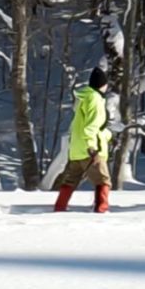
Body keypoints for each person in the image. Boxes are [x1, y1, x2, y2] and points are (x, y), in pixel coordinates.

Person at [53, 67, 113, 214]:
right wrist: (92, 146)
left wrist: (106, 135)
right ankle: (101, 209)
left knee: (70, 180)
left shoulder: (83, 99)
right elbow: (91, 125)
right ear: (101, 85)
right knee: (103, 180)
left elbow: (82, 126)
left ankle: (59, 207)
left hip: (76, 149)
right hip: (90, 149)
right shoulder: (96, 99)